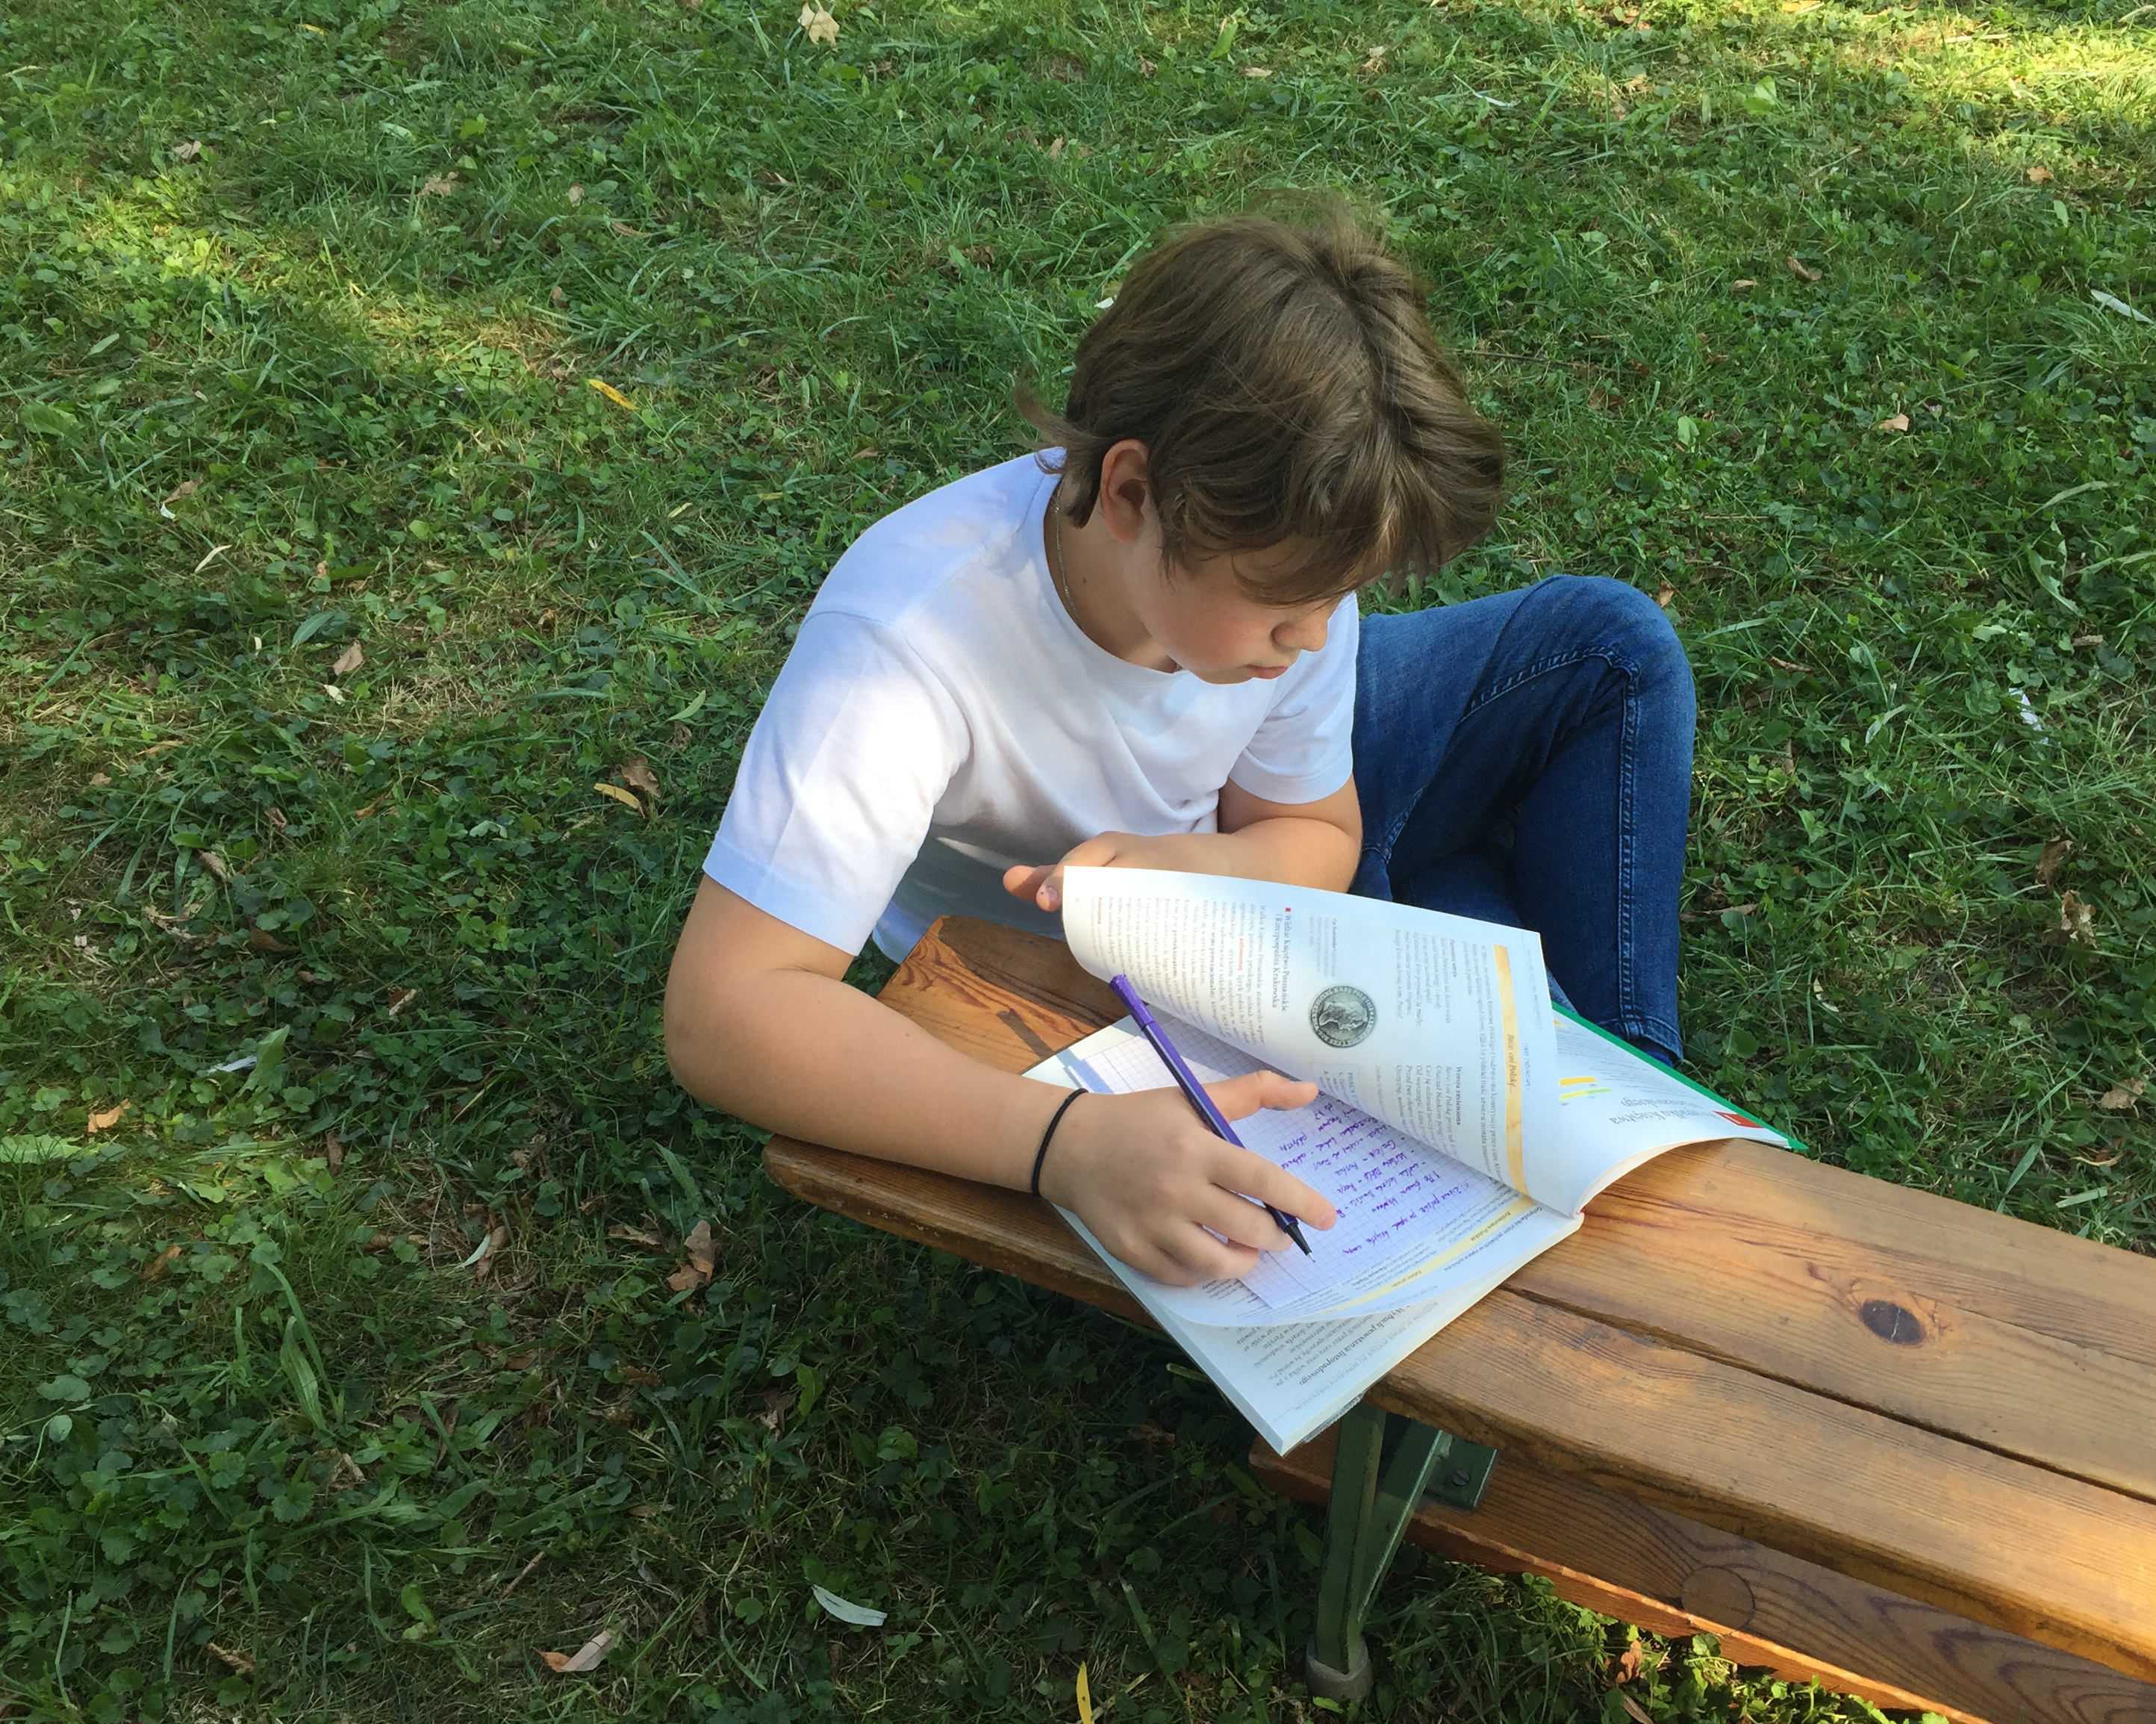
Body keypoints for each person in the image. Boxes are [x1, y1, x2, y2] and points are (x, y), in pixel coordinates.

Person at [662, 199, 1693, 1288]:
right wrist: (1063, 1146)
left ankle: (1637, 1113)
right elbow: (726, 1012)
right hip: (1103, 982)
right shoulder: (904, 650)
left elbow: (1313, 828)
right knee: (1487, 1020)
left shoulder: (1281, 602)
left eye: (1341, 594)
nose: (1317, 637)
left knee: (1607, 648)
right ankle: (1527, 1017)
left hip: (1220, 878)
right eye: (1288, 597)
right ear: (1131, 492)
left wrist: (1201, 865)